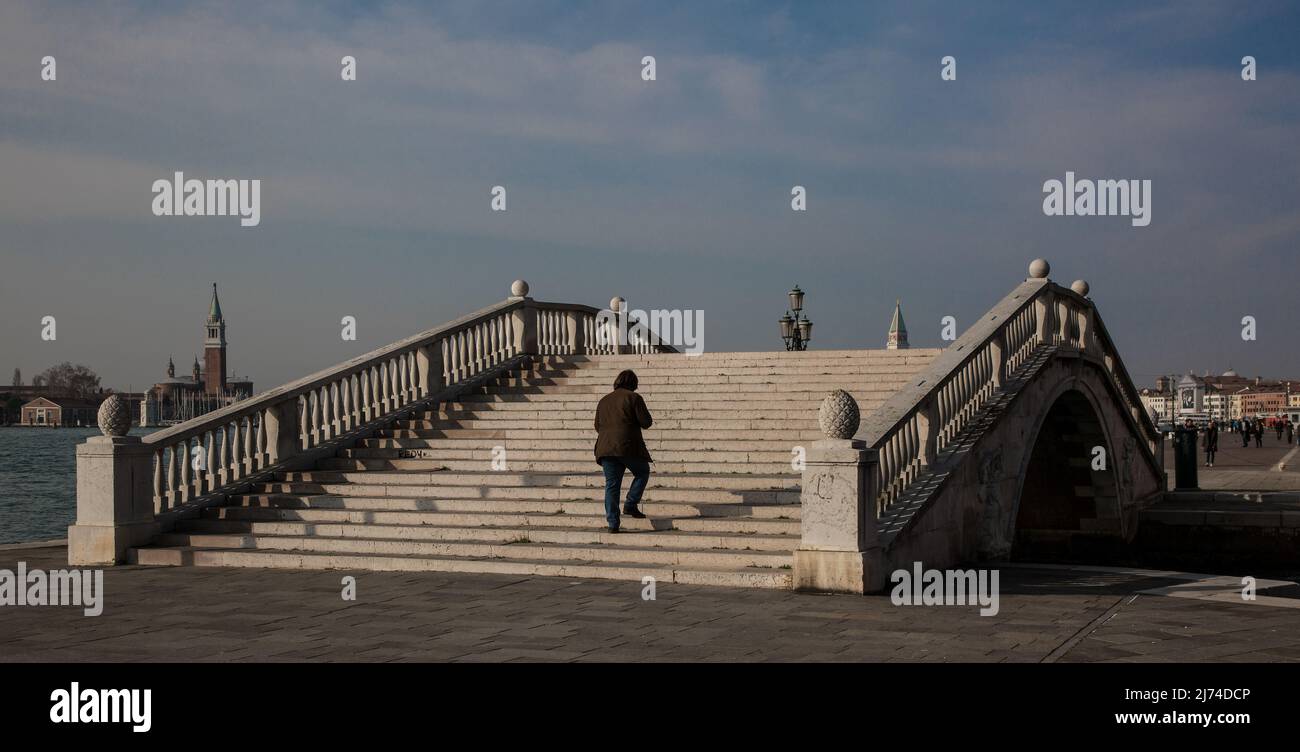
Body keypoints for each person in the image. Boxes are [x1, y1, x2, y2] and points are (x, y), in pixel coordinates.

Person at [593, 369, 653, 533]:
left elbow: (597, 426)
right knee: (642, 472)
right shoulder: (634, 398)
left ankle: (613, 524)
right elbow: (646, 422)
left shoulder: (604, 400)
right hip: (627, 446)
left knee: (612, 485)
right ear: (633, 384)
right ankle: (630, 504)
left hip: (606, 448)